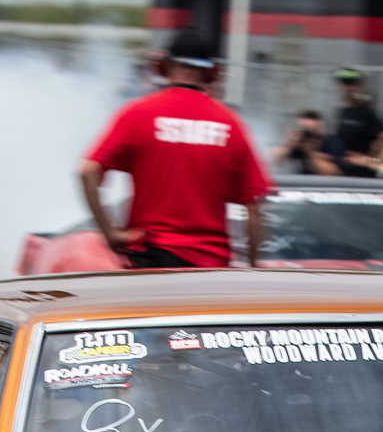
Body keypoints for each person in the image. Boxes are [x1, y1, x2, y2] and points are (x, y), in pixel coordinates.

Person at [78, 29, 273, 270]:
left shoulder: (138, 114)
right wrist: (252, 268)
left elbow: (87, 171)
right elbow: (254, 208)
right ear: (214, 73)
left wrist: (110, 232)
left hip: (151, 264)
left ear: (163, 66)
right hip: (209, 270)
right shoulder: (230, 125)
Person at [332, 67, 383, 177]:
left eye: (350, 83)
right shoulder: (341, 112)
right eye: (343, 82)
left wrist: (369, 160)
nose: (346, 87)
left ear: (359, 86)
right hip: (342, 172)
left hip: (360, 176)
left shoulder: (367, 113)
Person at [275, 110, 340, 177]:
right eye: (304, 131)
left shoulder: (332, 142)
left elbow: (334, 174)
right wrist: (288, 146)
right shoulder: (301, 143)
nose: (308, 136)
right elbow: (276, 161)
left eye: (311, 131)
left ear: (321, 127)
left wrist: (310, 152)